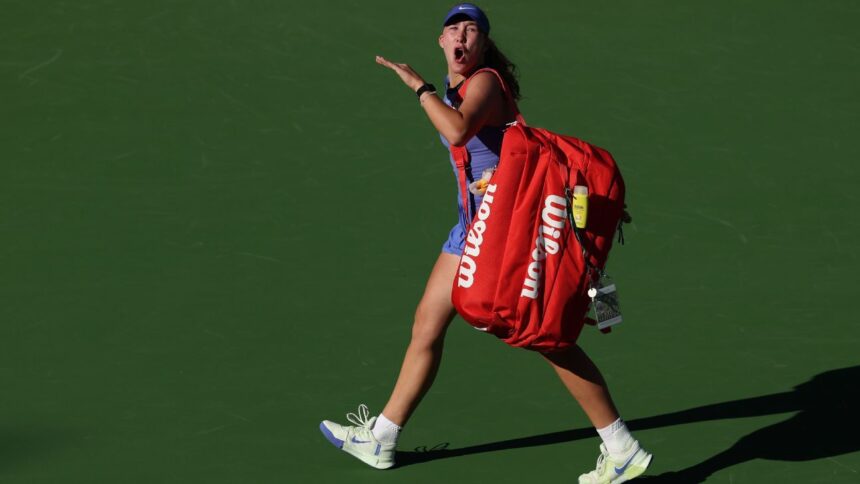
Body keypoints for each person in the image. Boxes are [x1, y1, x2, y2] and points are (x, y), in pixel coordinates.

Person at [319, 4, 652, 483]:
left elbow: (458, 131)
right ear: (441, 41)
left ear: (483, 44)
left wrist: (418, 87)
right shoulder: (461, 84)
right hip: (471, 225)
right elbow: (501, 151)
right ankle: (382, 438)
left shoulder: (485, 82)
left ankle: (620, 446)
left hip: (505, 232)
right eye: (453, 28)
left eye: (471, 30)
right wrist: (494, 176)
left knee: (547, 338)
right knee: (426, 325)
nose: (461, 36)